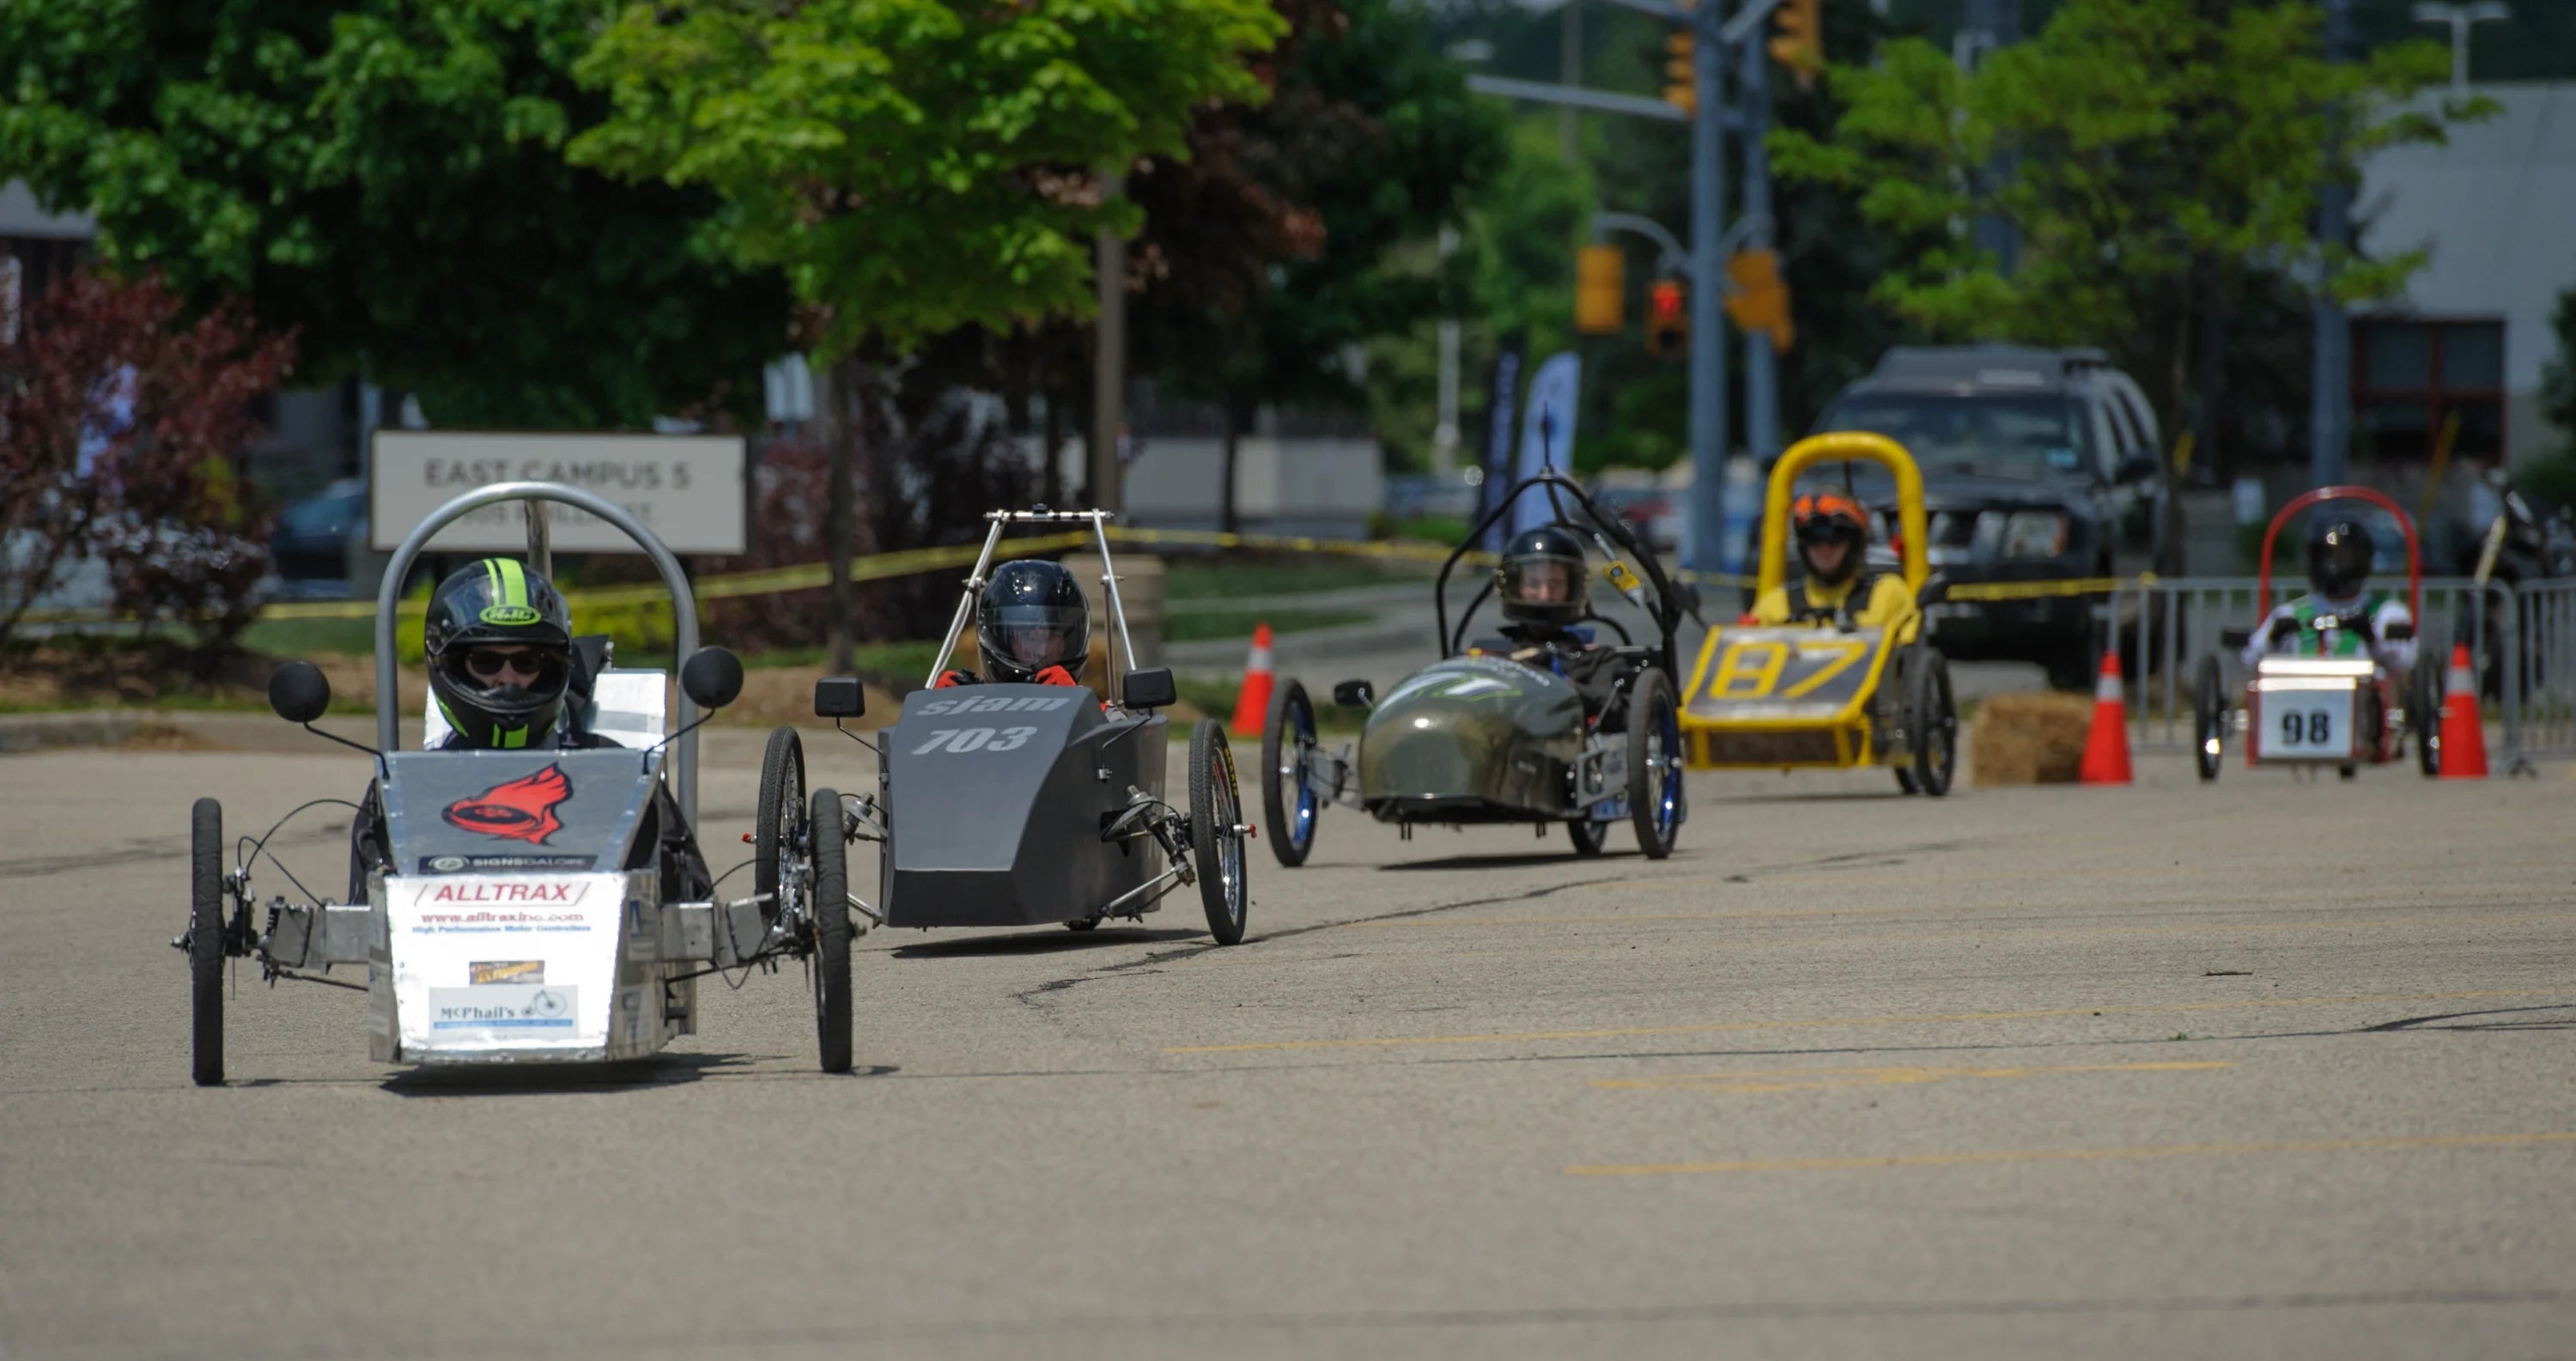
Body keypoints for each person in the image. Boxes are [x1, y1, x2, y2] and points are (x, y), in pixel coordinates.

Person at [346, 557, 708, 901]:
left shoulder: (616, 768)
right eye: (486, 661)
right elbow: (365, 922)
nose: (508, 679)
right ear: (452, 665)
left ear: (551, 664)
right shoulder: (406, 789)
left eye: (527, 661)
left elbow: (686, 900)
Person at [2240, 519, 2416, 676]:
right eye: (2327, 559)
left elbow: (2404, 663)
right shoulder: (2291, 613)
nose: (2332, 567)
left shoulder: (2386, 613)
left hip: (2365, 702)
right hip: (2301, 698)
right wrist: (2272, 640)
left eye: (2342, 559)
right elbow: (2249, 659)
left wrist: (2371, 640)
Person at [1477, 526, 1625, 708]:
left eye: (1554, 584)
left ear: (1572, 587)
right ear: (1515, 586)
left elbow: (1614, 709)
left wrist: (1562, 684)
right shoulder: (1489, 657)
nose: (1545, 595)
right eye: (1533, 584)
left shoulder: (1596, 659)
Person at [1747, 491, 1916, 635]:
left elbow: (1911, 659)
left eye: (1836, 539)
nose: (1825, 549)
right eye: (1814, 539)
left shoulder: (1888, 595)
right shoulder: (1776, 605)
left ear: (1855, 543)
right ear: (1802, 545)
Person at [937, 559, 1091, 689]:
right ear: (1004, 641)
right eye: (1029, 636)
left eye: (1052, 636)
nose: (1042, 650)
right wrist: (938, 710)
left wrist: (1077, 705)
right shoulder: (967, 704)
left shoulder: (1098, 715)